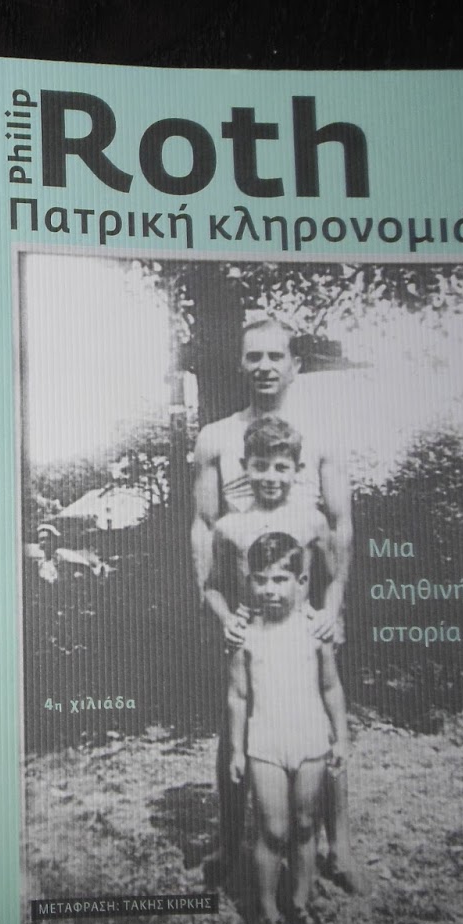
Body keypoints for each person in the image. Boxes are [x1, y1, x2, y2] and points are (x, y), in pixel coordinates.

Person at [191, 314, 364, 893]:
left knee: (320, 721)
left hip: (305, 609)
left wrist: (334, 606)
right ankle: (228, 841)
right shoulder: (216, 437)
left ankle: (338, 847)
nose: (264, 366)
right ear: (241, 364)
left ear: (295, 365)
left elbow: (339, 525)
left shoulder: (324, 433)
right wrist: (219, 610)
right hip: (247, 612)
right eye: (254, 356)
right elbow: (205, 525)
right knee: (238, 718)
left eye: (275, 356)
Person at [227, 532, 348, 924]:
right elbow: (238, 697)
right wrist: (236, 750)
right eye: (261, 580)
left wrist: (341, 738)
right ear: (250, 582)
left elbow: (331, 688)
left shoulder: (316, 632)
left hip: (311, 741)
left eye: (280, 579)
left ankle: (299, 901)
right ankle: (266, 908)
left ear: (301, 582)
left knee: (305, 825)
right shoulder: (245, 636)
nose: (270, 589)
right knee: (273, 830)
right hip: (266, 744)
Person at [202, 415, 337, 650]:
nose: (271, 478)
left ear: (298, 470)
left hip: (302, 633)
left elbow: (333, 580)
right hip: (250, 636)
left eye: (281, 468)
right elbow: (212, 587)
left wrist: (329, 613)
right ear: (244, 466)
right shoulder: (229, 527)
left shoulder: (313, 522)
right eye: (260, 466)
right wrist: (228, 619)